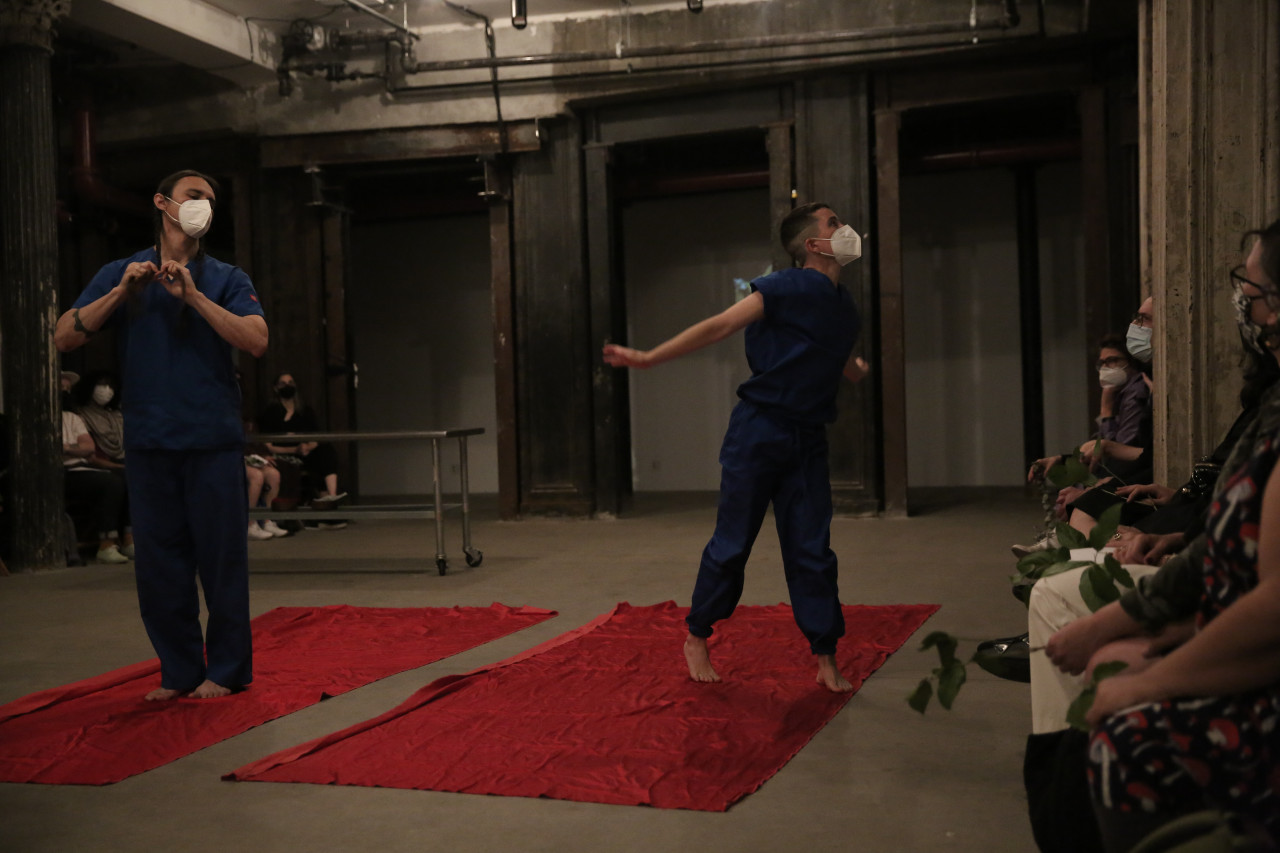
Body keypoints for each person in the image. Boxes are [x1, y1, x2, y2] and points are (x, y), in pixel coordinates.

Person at [603, 201, 869, 692]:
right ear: (813, 244)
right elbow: (721, 324)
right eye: (834, 224)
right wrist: (648, 357)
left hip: (807, 438)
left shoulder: (844, 303)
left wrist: (853, 370)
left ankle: (825, 653)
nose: (845, 229)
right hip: (759, 432)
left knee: (812, 549)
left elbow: (836, 354)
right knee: (732, 545)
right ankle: (697, 635)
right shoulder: (785, 285)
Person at [1073, 222, 1280, 847]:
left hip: (1233, 619)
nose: (1242, 300)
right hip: (1196, 549)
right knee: (1091, 523)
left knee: (1122, 714)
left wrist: (1150, 668)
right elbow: (1219, 496)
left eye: (1251, 285)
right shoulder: (1267, 398)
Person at [53, 169, 268, 701]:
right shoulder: (123, 272)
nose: (203, 208)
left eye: (211, 202)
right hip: (149, 444)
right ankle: (178, 673)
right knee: (159, 568)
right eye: (195, 197)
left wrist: (193, 297)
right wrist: (121, 293)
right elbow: (64, 335)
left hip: (211, 441)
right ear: (162, 203)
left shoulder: (226, 277)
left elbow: (256, 340)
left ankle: (227, 671)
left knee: (221, 564)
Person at [257, 373, 346, 529]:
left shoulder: (305, 410)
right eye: (283, 383)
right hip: (283, 452)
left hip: (305, 452)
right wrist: (294, 449)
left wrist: (306, 447)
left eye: (291, 382)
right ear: (276, 388)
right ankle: (323, 513)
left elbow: (315, 438)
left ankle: (331, 497)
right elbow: (268, 445)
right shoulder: (270, 412)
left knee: (325, 450)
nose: (287, 386)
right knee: (306, 464)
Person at [61, 387, 130, 564]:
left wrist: (67, 448)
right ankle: (106, 544)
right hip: (61, 472)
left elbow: (89, 448)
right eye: (61, 387)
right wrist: (77, 449)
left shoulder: (72, 418)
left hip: (82, 467)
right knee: (110, 483)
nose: (65, 391)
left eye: (67, 388)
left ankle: (129, 538)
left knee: (128, 478)